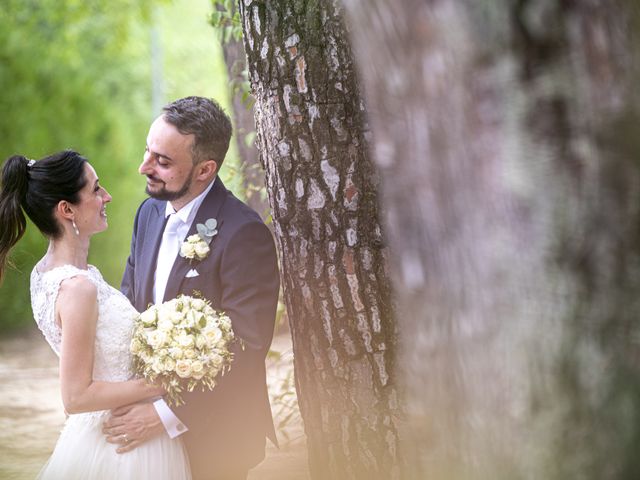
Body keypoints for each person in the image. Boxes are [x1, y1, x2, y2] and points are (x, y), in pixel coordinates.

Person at [108, 96, 280, 480]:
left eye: (162, 162)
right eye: (148, 152)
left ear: (205, 170)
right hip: (143, 436)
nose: (144, 168)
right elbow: (131, 307)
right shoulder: (148, 213)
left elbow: (246, 345)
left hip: (215, 438)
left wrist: (165, 414)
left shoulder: (244, 234)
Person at [0, 150, 192, 479]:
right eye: (96, 189)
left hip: (109, 432)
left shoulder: (47, 272)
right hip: (121, 445)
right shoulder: (77, 288)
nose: (107, 196)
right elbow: (75, 396)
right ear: (66, 210)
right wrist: (159, 385)